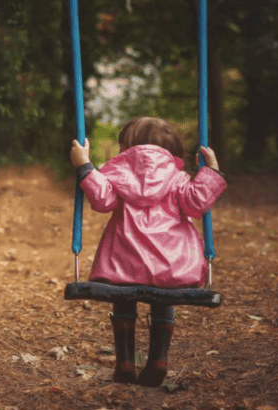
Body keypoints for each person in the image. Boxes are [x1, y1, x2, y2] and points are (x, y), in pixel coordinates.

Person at [69, 116, 226, 387]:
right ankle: (158, 360)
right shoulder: (177, 178)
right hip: (171, 265)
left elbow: (103, 201)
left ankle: (126, 363)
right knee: (164, 299)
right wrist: (211, 171)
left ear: (126, 147)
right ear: (172, 151)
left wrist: (85, 167)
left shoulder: (115, 173)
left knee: (123, 298)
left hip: (124, 264)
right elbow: (195, 205)